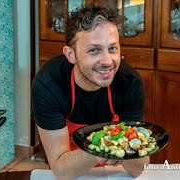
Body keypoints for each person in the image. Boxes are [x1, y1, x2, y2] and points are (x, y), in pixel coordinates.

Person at [31, 3, 150, 179]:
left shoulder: (130, 83)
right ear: (70, 54)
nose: (107, 61)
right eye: (94, 50)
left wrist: (111, 147)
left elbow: (140, 169)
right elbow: (62, 170)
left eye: (112, 48)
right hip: (73, 171)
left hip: (114, 171)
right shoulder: (48, 85)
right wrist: (106, 147)